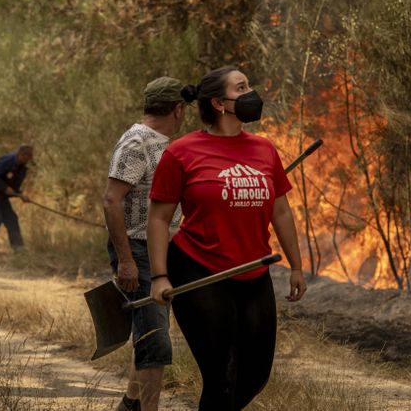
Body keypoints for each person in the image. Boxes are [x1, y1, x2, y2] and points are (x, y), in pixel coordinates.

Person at [147, 66, 307, 410]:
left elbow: (281, 211)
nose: (251, 93)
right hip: (199, 269)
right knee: (221, 378)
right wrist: (159, 276)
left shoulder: (264, 149)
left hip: (254, 270)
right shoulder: (181, 152)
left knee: (255, 375)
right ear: (219, 103)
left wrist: (296, 265)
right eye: (242, 87)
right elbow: (159, 219)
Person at [103, 77, 188, 411]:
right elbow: (111, 200)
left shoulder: (162, 143)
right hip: (137, 249)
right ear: (179, 110)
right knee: (155, 340)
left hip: (158, 250)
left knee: (151, 330)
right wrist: (125, 261)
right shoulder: (136, 142)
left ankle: (130, 404)